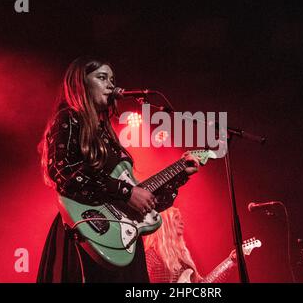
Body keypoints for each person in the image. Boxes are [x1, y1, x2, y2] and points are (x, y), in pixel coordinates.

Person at [36, 56, 200, 283]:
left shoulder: (107, 133)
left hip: (123, 240)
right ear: (80, 84)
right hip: (88, 231)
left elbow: (146, 205)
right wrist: (126, 192)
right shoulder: (68, 118)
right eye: (102, 78)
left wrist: (180, 174)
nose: (111, 85)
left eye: (112, 79)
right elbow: (64, 173)